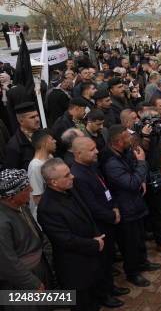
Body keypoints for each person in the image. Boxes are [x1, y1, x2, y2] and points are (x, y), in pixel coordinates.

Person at [37, 158, 105, 311]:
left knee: (93, 300)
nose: (72, 176)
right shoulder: (47, 208)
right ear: (54, 182)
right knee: (82, 304)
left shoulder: (70, 189)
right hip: (74, 267)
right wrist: (94, 243)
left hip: (90, 256)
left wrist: (97, 236)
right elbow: (65, 240)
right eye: (67, 175)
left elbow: (87, 214)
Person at [71, 137, 128, 308]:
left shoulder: (91, 166)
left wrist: (115, 207)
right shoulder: (78, 175)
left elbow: (106, 188)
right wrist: (112, 216)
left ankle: (110, 287)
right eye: (92, 149)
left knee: (109, 259)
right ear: (79, 153)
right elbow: (91, 206)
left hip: (109, 217)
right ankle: (104, 294)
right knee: (101, 263)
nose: (97, 152)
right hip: (99, 225)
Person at [102, 125, 160, 287]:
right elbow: (131, 182)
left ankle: (142, 262)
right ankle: (132, 273)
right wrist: (142, 164)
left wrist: (140, 174)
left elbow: (133, 168)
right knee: (129, 243)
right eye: (127, 138)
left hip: (135, 204)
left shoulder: (124, 152)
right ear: (119, 142)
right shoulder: (111, 162)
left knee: (139, 237)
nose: (131, 140)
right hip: (125, 207)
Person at [0, 168, 52, 300]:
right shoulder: (2, 222)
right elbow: (7, 262)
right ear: (11, 196)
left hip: (39, 268)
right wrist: (31, 282)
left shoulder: (21, 206)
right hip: (21, 281)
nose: (31, 191)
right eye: (26, 189)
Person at [27, 129, 56, 222]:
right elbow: (37, 197)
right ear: (45, 143)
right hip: (47, 216)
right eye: (52, 139)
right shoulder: (35, 166)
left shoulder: (50, 158)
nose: (55, 141)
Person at [5, 102, 40, 170]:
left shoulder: (44, 135)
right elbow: (12, 173)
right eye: (32, 117)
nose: (37, 119)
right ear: (21, 121)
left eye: (37, 116)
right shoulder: (14, 146)